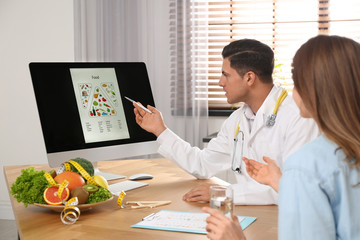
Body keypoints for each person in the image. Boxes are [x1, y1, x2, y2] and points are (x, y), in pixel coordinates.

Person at [203, 35, 360, 239]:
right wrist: (280, 182)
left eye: (297, 82)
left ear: (315, 91)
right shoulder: (345, 155)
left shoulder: (305, 165)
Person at [132, 39, 319, 205]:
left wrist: (224, 192)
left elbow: (293, 188)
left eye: (225, 75)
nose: (220, 82)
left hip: (284, 219)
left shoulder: (299, 117)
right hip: (250, 216)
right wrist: (160, 130)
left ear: (249, 78)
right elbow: (202, 165)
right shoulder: (237, 120)